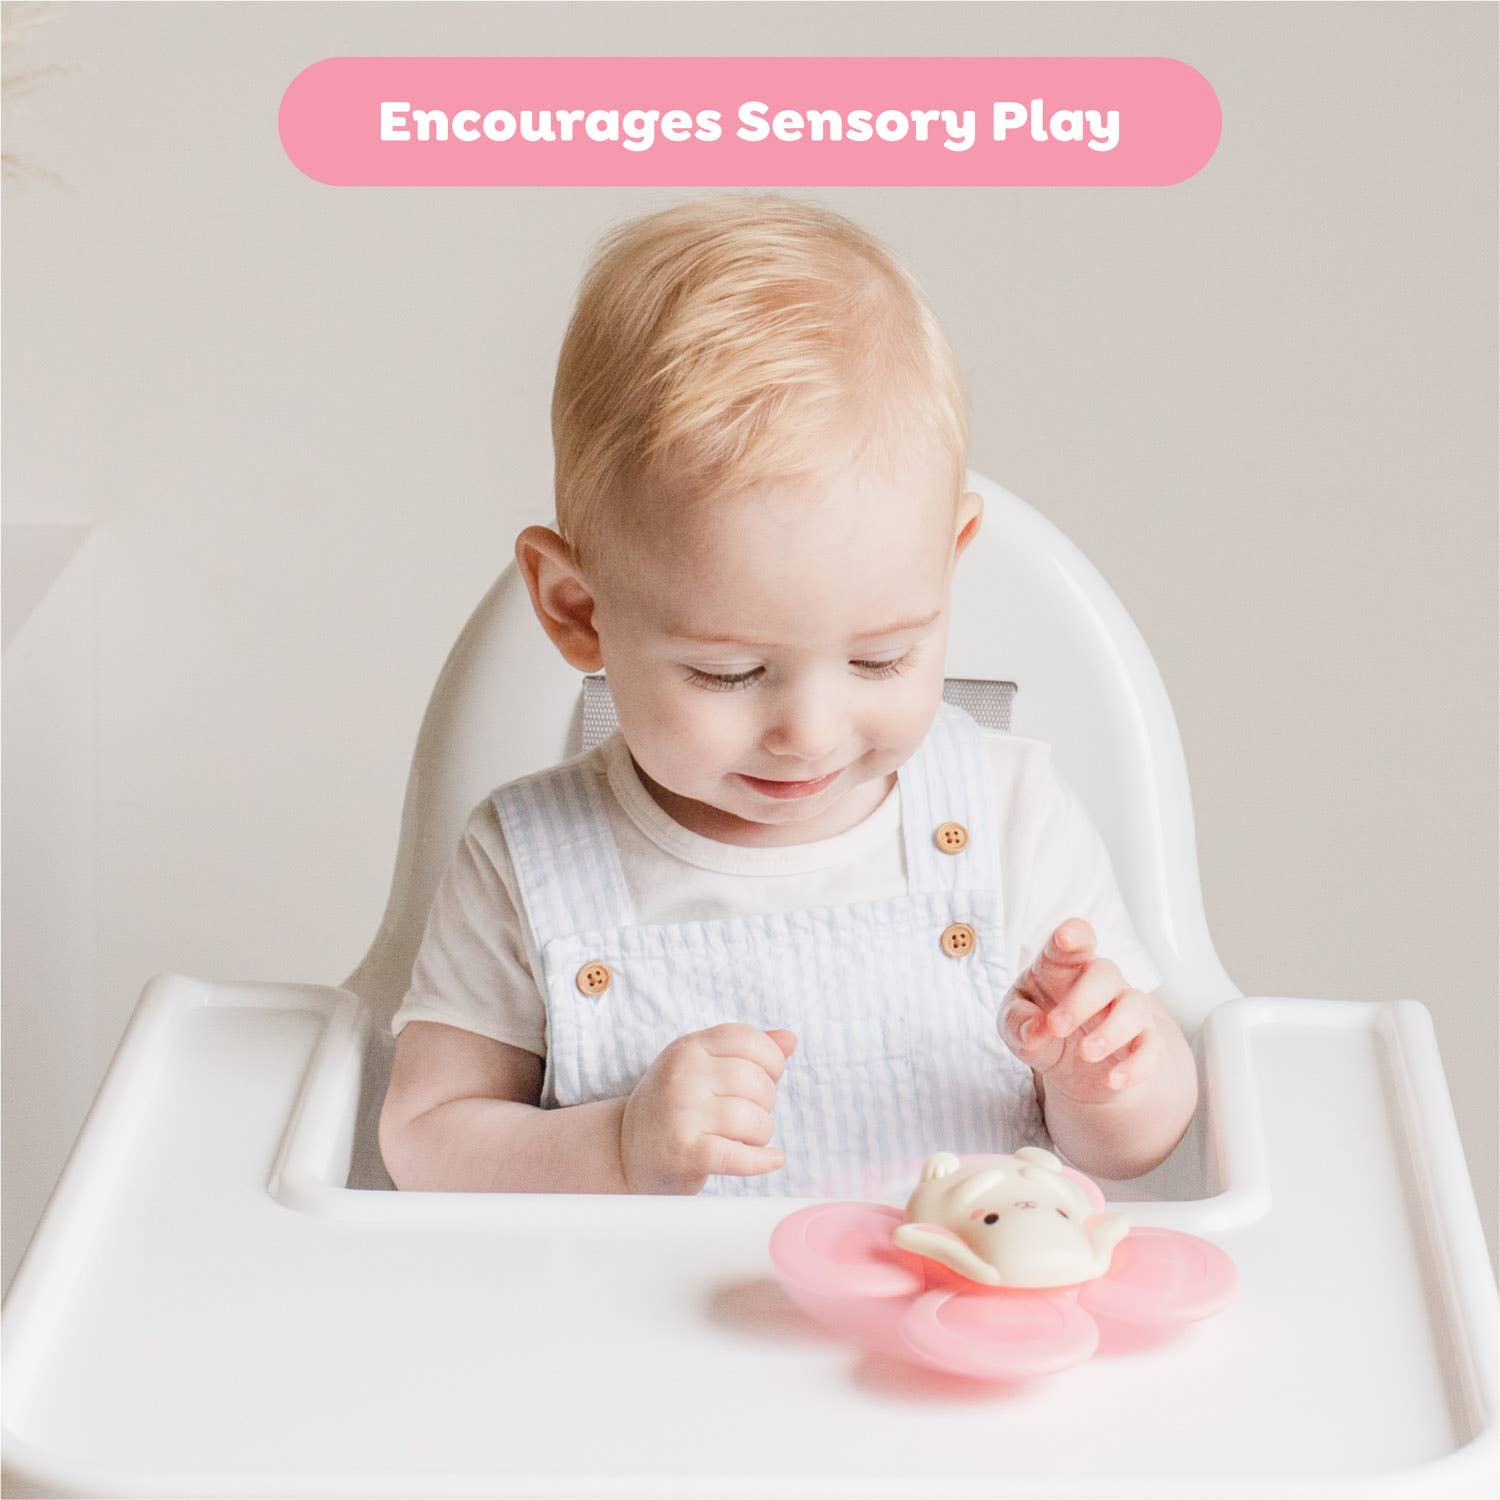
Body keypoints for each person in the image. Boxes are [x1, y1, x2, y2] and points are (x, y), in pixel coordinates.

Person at [378, 194, 1198, 1199]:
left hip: (949, 1343)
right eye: (727, 674)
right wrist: (618, 1146)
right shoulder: (525, 861)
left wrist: (1107, 1076)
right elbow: (424, 1142)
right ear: (578, 610)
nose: (809, 734)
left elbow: (1133, 1147)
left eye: (882, 660)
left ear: (951, 568)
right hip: (630, 1345)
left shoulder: (1012, 816)